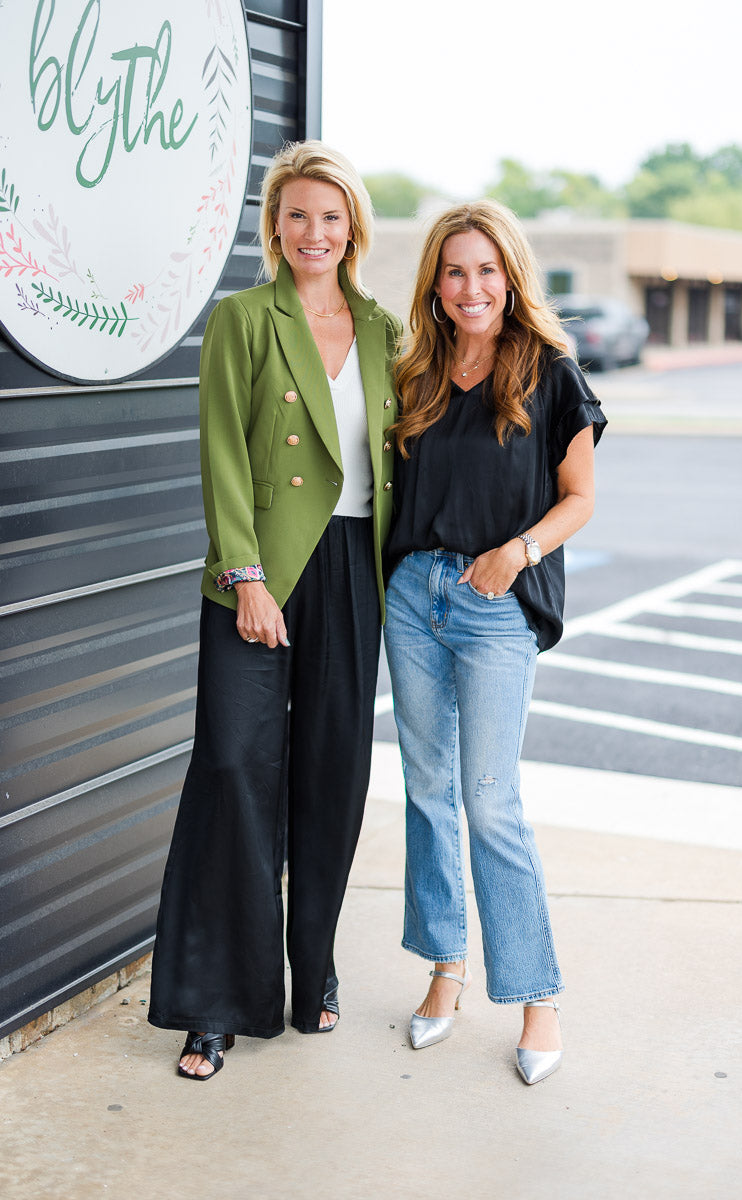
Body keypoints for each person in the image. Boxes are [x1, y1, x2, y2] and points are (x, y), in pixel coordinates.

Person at [148, 141, 401, 1080]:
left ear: (353, 228)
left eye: (330, 216)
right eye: (296, 214)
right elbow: (219, 450)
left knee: (331, 777)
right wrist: (245, 576)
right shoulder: (242, 319)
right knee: (231, 768)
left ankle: (314, 972)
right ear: (275, 224)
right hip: (259, 571)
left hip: (352, 570)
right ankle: (214, 1001)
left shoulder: (383, 329)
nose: (314, 232)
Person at [382, 200, 606, 1086]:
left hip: (494, 603)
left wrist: (519, 553)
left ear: (509, 275)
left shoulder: (551, 372)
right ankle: (446, 971)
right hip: (413, 596)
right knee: (426, 792)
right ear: (435, 285)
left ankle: (537, 996)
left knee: (489, 800)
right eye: (453, 271)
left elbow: (580, 497)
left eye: (485, 270)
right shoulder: (417, 371)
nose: (470, 287)